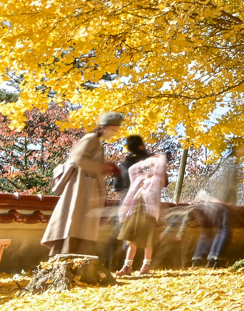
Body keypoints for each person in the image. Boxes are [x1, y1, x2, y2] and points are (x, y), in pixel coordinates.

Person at [42, 112, 123, 256]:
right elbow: (78, 158)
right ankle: (66, 261)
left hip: (86, 190)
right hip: (80, 190)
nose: (114, 132)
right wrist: (102, 168)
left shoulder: (95, 141)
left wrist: (104, 168)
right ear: (105, 126)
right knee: (75, 225)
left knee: (81, 226)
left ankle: (75, 264)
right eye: (113, 128)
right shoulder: (91, 138)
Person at [115, 153, 168, 276]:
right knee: (131, 241)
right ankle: (127, 267)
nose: (150, 169)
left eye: (153, 167)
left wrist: (160, 158)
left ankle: (146, 266)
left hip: (148, 214)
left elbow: (160, 169)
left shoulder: (156, 181)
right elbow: (132, 169)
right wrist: (148, 161)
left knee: (147, 242)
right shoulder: (139, 179)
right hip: (134, 213)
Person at [106, 135, 151, 270]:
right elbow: (162, 182)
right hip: (143, 204)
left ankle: (116, 266)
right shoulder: (149, 163)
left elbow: (117, 186)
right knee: (142, 237)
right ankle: (137, 265)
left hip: (124, 203)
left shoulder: (124, 165)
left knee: (122, 235)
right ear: (141, 146)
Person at [191, 153, 238, 268]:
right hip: (219, 203)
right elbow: (230, 187)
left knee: (207, 231)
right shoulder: (232, 166)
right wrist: (232, 204)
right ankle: (215, 258)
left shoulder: (219, 164)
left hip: (203, 203)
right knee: (224, 230)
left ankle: (197, 259)